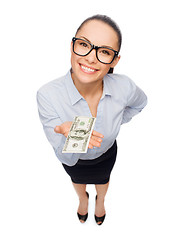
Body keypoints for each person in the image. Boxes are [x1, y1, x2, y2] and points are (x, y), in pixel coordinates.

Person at [36, 14, 147, 225]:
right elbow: (66, 158)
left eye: (104, 51)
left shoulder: (125, 86)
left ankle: (101, 201)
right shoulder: (47, 95)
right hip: (75, 161)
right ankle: (82, 200)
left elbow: (140, 103)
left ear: (115, 60)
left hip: (106, 154)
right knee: (77, 180)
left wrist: (117, 120)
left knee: (104, 180)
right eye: (84, 44)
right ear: (72, 46)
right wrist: (71, 137)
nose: (90, 57)